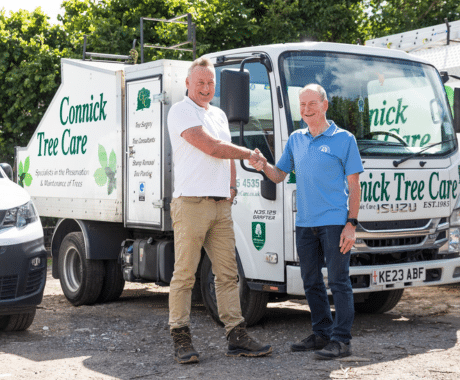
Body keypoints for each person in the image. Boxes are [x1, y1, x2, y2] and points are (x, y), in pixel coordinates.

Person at [167, 56, 272, 364]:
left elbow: (224, 157)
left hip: (220, 205)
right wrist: (249, 154)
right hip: (190, 204)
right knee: (185, 275)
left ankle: (236, 336)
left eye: (211, 82)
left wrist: (232, 188)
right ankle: (181, 338)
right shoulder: (180, 111)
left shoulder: (220, 115)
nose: (206, 87)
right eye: (200, 82)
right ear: (188, 83)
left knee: (227, 274)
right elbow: (211, 147)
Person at [251, 84, 363, 360]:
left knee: (338, 281)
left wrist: (352, 224)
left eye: (312, 104)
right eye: (302, 105)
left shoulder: (344, 138)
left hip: (335, 222)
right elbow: (279, 176)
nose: (306, 110)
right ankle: (322, 334)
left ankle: (341, 340)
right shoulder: (296, 139)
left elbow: (355, 184)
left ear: (325, 105)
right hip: (305, 223)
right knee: (310, 281)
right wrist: (263, 165)